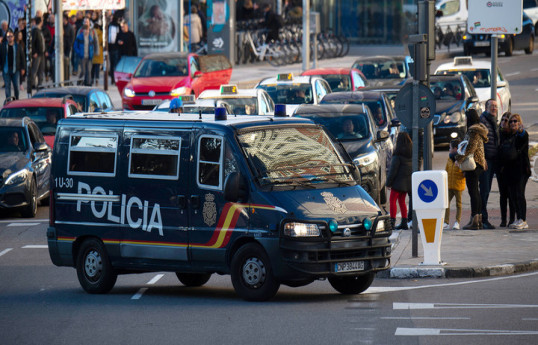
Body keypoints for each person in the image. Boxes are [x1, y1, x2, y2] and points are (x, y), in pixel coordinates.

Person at [456, 109, 488, 230]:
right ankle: (477, 219)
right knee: (476, 191)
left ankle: (475, 220)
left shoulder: (473, 130)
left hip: (473, 164)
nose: (465, 120)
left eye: (466, 117)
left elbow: (470, 147)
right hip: (479, 163)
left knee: (473, 192)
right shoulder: (479, 129)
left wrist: (458, 159)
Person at [505, 114, 531, 229]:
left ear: (519, 122)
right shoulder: (509, 135)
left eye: (515, 121)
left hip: (522, 169)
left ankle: (523, 219)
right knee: (513, 195)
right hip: (511, 169)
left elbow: (523, 136)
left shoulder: (522, 134)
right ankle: (518, 218)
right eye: (511, 122)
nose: (513, 123)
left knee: (520, 193)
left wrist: (520, 130)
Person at [479, 99, 500, 229]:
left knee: (486, 191)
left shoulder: (493, 121)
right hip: (485, 162)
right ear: (486, 107)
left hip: (492, 161)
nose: (494, 108)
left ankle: (481, 217)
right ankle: (482, 219)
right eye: (491, 106)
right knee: (484, 191)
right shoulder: (483, 121)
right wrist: (482, 160)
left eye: (495, 106)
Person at [386, 132, 413, 230]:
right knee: (402, 201)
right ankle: (404, 222)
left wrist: (388, 183)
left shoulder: (397, 155)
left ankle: (392, 222)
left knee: (392, 200)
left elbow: (393, 171)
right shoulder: (411, 153)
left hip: (398, 183)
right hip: (407, 183)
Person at [497, 112, 515, 227]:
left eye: (506, 120)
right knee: (503, 195)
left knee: (511, 194)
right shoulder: (499, 133)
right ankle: (503, 219)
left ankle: (512, 218)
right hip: (500, 169)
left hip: (511, 169)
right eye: (502, 120)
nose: (503, 122)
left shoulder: (514, 135)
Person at [444, 139, 466, 230]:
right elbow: (446, 171)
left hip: (458, 185)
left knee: (458, 204)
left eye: (450, 148)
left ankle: (457, 222)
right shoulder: (449, 159)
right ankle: (446, 222)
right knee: (446, 203)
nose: (449, 149)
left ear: (455, 148)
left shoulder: (461, 159)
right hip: (449, 185)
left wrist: (461, 167)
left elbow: (465, 172)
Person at [0, 29, 25, 100]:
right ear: (6, 37)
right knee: (7, 86)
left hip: (15, 70)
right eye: (8, 36)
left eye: (11, 36)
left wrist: (23, 68)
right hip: (6, 69)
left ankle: (17, 99)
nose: (9, 38)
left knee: (16, 86)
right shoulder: (3, 46)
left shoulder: (18, 46)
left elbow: (22, 57)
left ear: (13, 37)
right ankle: (8, 101)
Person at [30, 16, 46, 90]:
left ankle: (40, 84)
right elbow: (32, 42)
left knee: (41, 69)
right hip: (37, 54)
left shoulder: (39, 30)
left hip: (41, 53)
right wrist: (34, 52)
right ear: (40, 22)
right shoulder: (35, 31)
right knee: (35, 69)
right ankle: (32, 83)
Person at [63, 14, 74, 81]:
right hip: (63, 46)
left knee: (68, 60)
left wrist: (70, 45)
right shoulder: (61, 26)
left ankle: (68, 74)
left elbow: (72, 37)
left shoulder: (70, 27)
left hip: (68, 46)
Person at [91, 21, 103, 85]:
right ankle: (97, 79)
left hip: (92, 49)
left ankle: (92, 78)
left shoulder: (92, 32)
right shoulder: (101, 33)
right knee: (97, 67)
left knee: (92, 66)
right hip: (99, 50)